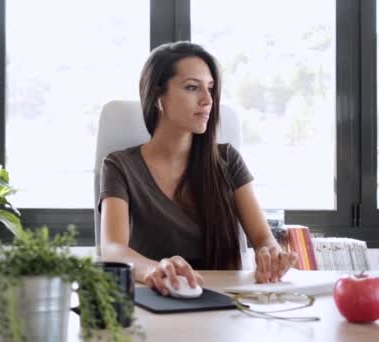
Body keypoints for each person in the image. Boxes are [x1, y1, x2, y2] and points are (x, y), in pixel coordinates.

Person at [98, 41, 298, 296]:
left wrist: (270, 253)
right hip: (159, 300)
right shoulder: (119, 166)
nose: (207, 100)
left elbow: (263, 238)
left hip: (229, 303)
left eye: (210, 89)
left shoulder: (227, 160)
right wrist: (155, 268)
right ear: (158, 95)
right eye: (192, 87)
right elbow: (113, 248)